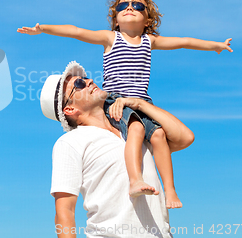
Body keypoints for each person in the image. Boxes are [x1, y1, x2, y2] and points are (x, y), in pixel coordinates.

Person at [19, 0, 232, 208]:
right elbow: (76, 31)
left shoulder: (149, 41)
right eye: (123, 6)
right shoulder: (111, 38)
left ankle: (170, 191)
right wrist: (43, 29)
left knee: (158, 135)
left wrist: (215, 45)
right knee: (136, 129)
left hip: (142, 102)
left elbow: (185, 41)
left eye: (137, 6)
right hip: (115, 99)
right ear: (116, 19)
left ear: (147, 19)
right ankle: (135, 179)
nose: (129, 8)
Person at [40, 61, 194, 238]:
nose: (89, 81)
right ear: (69, 108)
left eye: (84, 78)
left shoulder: (132, 129)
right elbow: (64, 211)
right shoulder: (70, 142)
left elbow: (185, 137)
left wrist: (141, 105)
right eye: (79, 84)